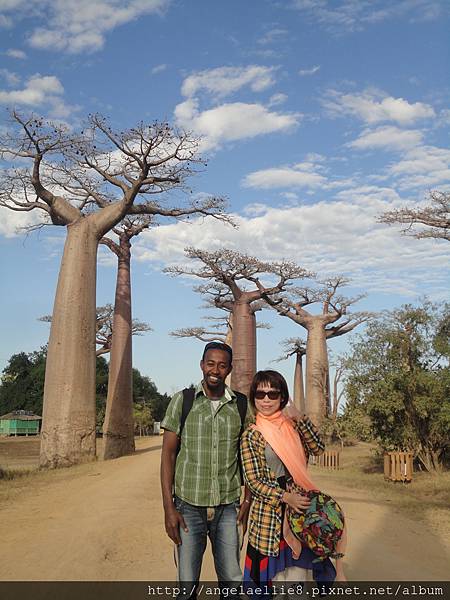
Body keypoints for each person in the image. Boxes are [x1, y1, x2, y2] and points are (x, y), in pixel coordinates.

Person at [240, 370, 346, 595]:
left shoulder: (293, 426)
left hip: (301, 514)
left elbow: (318, 448)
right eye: (260, 394)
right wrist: (285, 497)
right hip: (270, 517)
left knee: (298, 582)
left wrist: (300, 418)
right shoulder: (252, 434)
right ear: (253, 397)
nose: (266, 399)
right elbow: (254, 480)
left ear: (282, 397)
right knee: (273, 583)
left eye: (273, 393)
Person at [160, 341, 251, 598]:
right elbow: (167, 455)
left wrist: (248, 498)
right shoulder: (184, 401)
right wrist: (169, 508)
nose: (215, 370)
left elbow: (250, 455)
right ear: (202, 365)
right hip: (188, 507)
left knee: (232, 584)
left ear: (229, 369)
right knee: (186, 586)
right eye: (210, 363)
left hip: (228, 508)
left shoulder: (241, 406)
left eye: (222, 365)